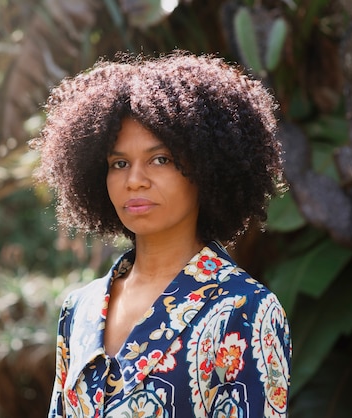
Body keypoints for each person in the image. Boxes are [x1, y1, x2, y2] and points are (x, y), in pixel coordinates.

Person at [36, 51, 292, 418]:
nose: (134, 179)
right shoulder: (79, 309)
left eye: (161, 159)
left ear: (207, 168)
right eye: (119, 163)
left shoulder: (245, 311)